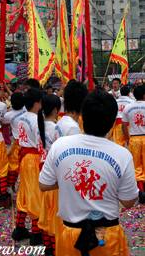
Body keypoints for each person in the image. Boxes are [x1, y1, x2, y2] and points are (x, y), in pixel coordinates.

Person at [39, 90, 139, 256]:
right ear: (113, 122)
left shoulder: (60, 146)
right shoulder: (122, 155)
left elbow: (44, 184)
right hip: (107, 237)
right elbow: (128, 201)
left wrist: (67, 181)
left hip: (70, 235)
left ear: (82, 118)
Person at [12, 88, 45, 246]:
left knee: (24, 191)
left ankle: (19, 227)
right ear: (37, 103)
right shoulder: (36, 120)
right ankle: (36, 232)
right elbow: (41, 143)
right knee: (35, 194)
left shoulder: (21, 118)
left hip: (24, 157)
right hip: (33, 159)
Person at [38, 94, 61, 256]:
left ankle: (47, 244)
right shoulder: (56, 128)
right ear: (55, 110)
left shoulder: (37, 125)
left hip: (43, 169)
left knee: (46, 209)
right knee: (55, 211)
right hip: (55, 174)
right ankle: (55, 246)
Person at [122, 84, 145, 192]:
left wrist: (127, 139)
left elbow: (124, 125)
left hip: (134, 139)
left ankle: (140, 190)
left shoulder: (128, 107)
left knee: (136, 166)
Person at [4, 92, 25, 189]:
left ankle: (11, 186)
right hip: (27, 142)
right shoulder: (26, 110)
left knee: (13, 165)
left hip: (16, 143)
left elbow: (2, 121)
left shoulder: (9, 115)